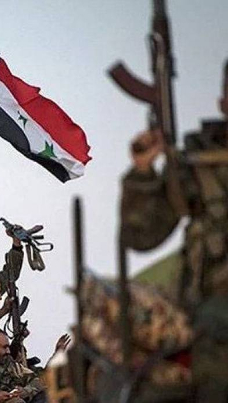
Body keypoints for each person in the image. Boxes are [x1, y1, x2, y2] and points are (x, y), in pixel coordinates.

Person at [120, 60, 228, 401]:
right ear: (223, 102)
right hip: (213, 326)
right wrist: (143, 172)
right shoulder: (199, 164)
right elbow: (141, 236)